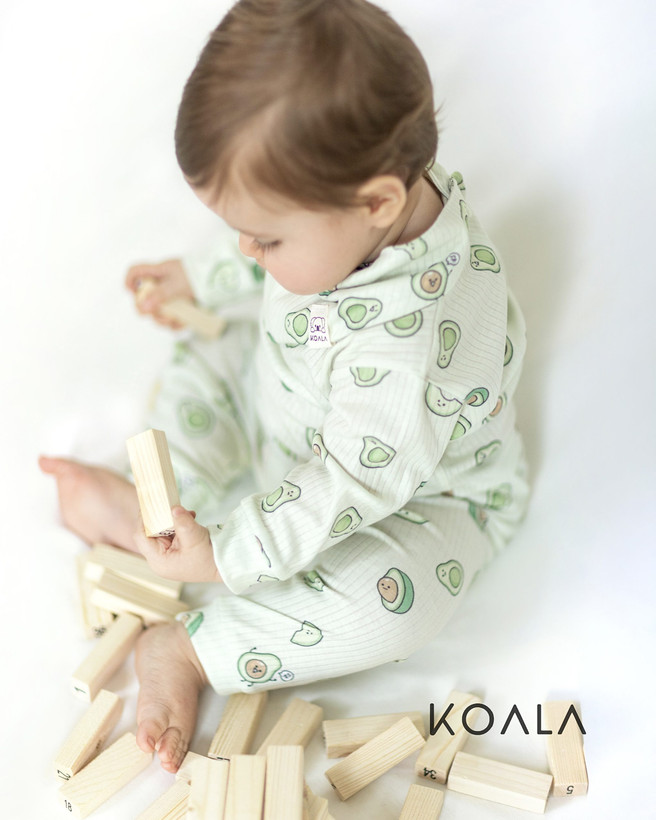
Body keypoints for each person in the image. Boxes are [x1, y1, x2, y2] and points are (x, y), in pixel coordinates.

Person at [40, 0, 529, 773]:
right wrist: (202, 277)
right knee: (209, 358)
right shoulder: (361, 210)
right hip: (287, 396)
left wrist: (230, 554)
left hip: (407, 498)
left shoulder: (410, 357)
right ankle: (154, 518)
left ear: (378, 203)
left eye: (264, 239)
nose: (247, 249)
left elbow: (348, 482)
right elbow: (287, 243)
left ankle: (193, 648)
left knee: (393, 608)